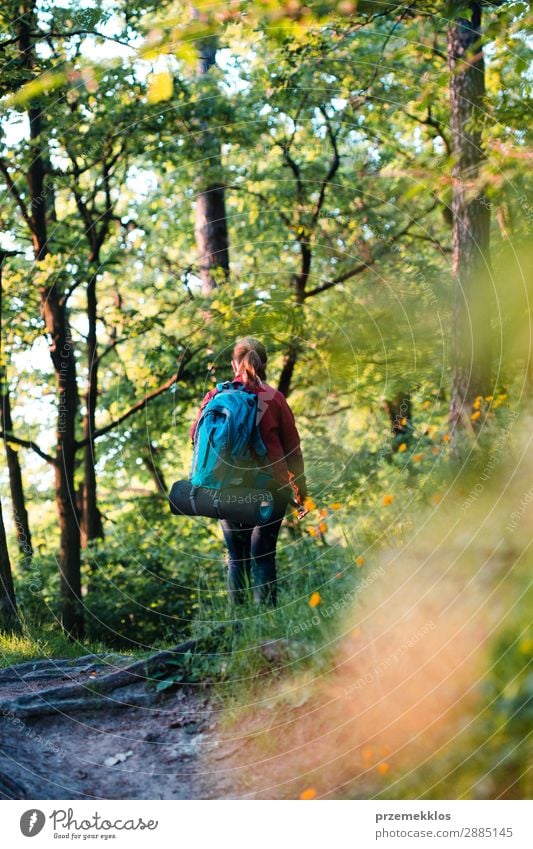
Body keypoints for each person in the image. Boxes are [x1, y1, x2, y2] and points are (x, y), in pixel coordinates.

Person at [189, 336, 308, 606]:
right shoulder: (275, 398)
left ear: (234, 365)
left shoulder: (215, 396)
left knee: (236, 557)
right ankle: (265, 627)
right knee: (263, 555)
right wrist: (302, 493)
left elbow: (195, 435)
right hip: (270, 488)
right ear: (264, 363)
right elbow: (293, 453)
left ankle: (237, 626)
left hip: (227, 486)